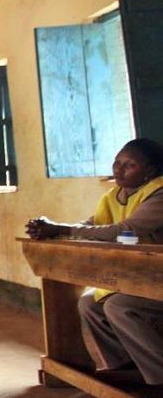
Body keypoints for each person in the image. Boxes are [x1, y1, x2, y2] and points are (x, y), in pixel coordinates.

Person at [26, 138, 163, 385]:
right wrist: (52, 229)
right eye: (116, 162)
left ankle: (158, 378)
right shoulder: (116, 195)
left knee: (118, 306)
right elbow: (93, 225)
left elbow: (124, 230)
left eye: (129, 165)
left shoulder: (159, 193)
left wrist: (62, 229)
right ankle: (123, 367)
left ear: (150, 171)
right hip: (141, 277)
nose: (119, 169)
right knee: (89, 302)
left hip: (157, 278)